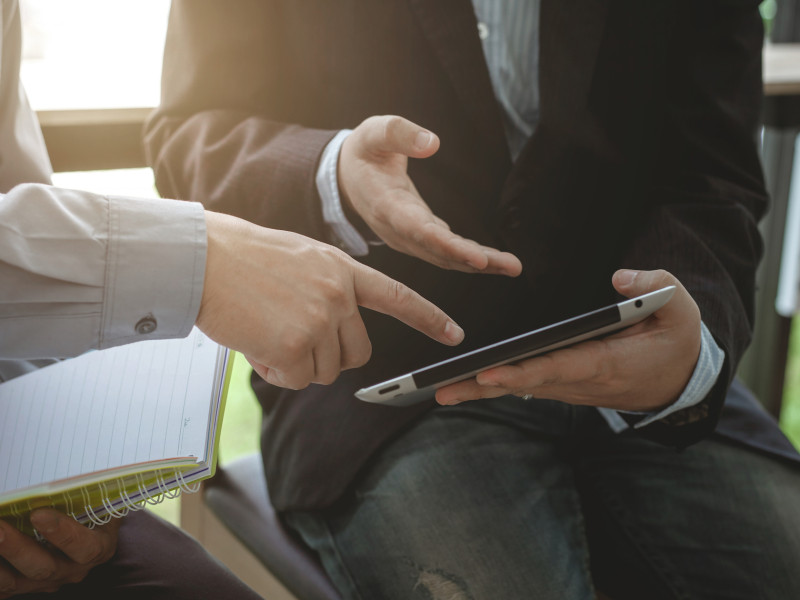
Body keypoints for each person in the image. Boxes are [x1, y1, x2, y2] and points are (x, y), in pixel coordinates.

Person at [146, 0, 800, 598]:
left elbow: (715, 172)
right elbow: (189, 137)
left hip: (631, 368)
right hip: (381, 379)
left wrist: (695, 350)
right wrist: (333, 174)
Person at [0, 0, 466, 597]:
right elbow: (187, 132)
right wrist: (200, 260)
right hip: (383, 413)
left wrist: (69, 478)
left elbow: (22, 208)